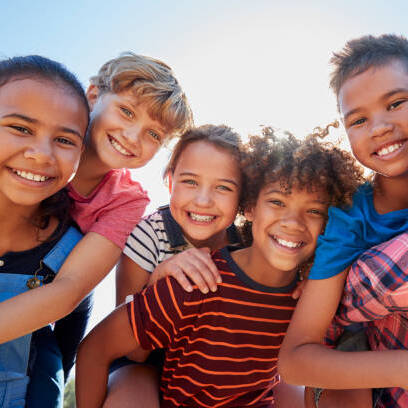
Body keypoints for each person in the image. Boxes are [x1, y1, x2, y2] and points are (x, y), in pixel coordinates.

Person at [76, 126, 362, 407]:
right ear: (249, 206)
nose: (292, 222)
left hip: (241, 376)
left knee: (291, 384)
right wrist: (159, 281)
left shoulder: (299, 284)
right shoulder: (172, 257)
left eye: (314, 211)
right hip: (145, 356)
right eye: (276, 202)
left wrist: (315, 274)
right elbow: (113, 349)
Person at [0, 52, 192, 407]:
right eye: (127, 111)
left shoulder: (126, 199)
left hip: (64, 288)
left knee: (51, 363)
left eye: (153, 134)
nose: (132, 136)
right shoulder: (34, 154)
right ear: (93, 96)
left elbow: (69, 291)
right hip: (18, 266)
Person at [278, 34, 408, 408]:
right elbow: (296, 360)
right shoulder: (351, 217)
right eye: (359, 120)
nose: (379, 127)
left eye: (396, 103)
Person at [106, 124, 244, 407]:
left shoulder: (247, 244)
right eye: (190, 182)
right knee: (131, 394)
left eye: (223, 187)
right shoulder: (150, 234)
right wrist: (159, 281)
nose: (203, 200)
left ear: (243, 198)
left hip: (217, 365)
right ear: (170, 183)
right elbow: (131, 350)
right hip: (147, 361)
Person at [0, 55, 89, 407]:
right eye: (21, 128)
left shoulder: (69, 249)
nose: (41, 154)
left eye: (65, 140)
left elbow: (76, 314)